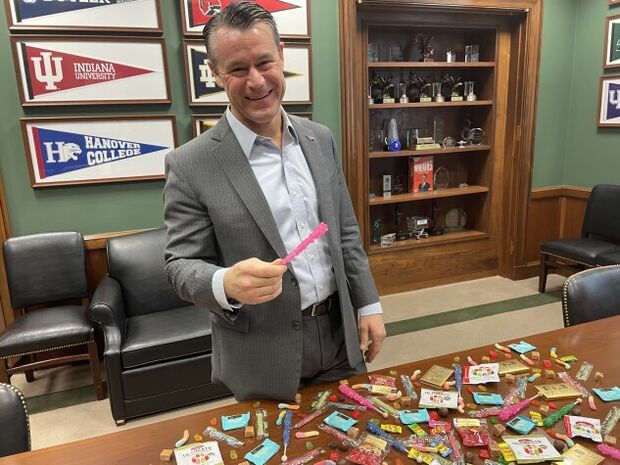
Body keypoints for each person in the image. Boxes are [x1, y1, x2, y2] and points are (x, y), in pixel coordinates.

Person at [163, 1, 386, 402]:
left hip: (339, 338)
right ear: (215, 73)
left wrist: (368, 304)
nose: (255, 81)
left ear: (282, 56)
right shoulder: (190, 163)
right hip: (260, 352)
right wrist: (224, 282)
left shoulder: (320, 139)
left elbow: (346, 232)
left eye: (265, 62)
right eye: (237, 69)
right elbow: (179, 265)